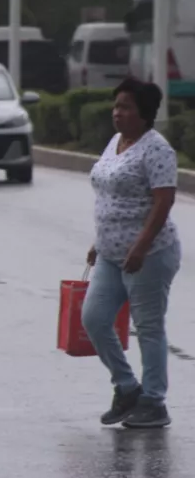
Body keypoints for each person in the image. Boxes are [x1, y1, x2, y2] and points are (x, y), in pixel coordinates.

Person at [81, 78, 181, 429]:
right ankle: (126, 388)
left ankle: (154, 402)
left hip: (149, 254)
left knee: (149, 327)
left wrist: (140, 246)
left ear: (144, 114)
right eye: (116, 106)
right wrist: (99, 241)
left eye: (126, 107)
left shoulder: (157, 149)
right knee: (93, 318)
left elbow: (163, 200)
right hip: (110, 253)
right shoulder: (116, 142)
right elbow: (110, 196)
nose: (117, 113)